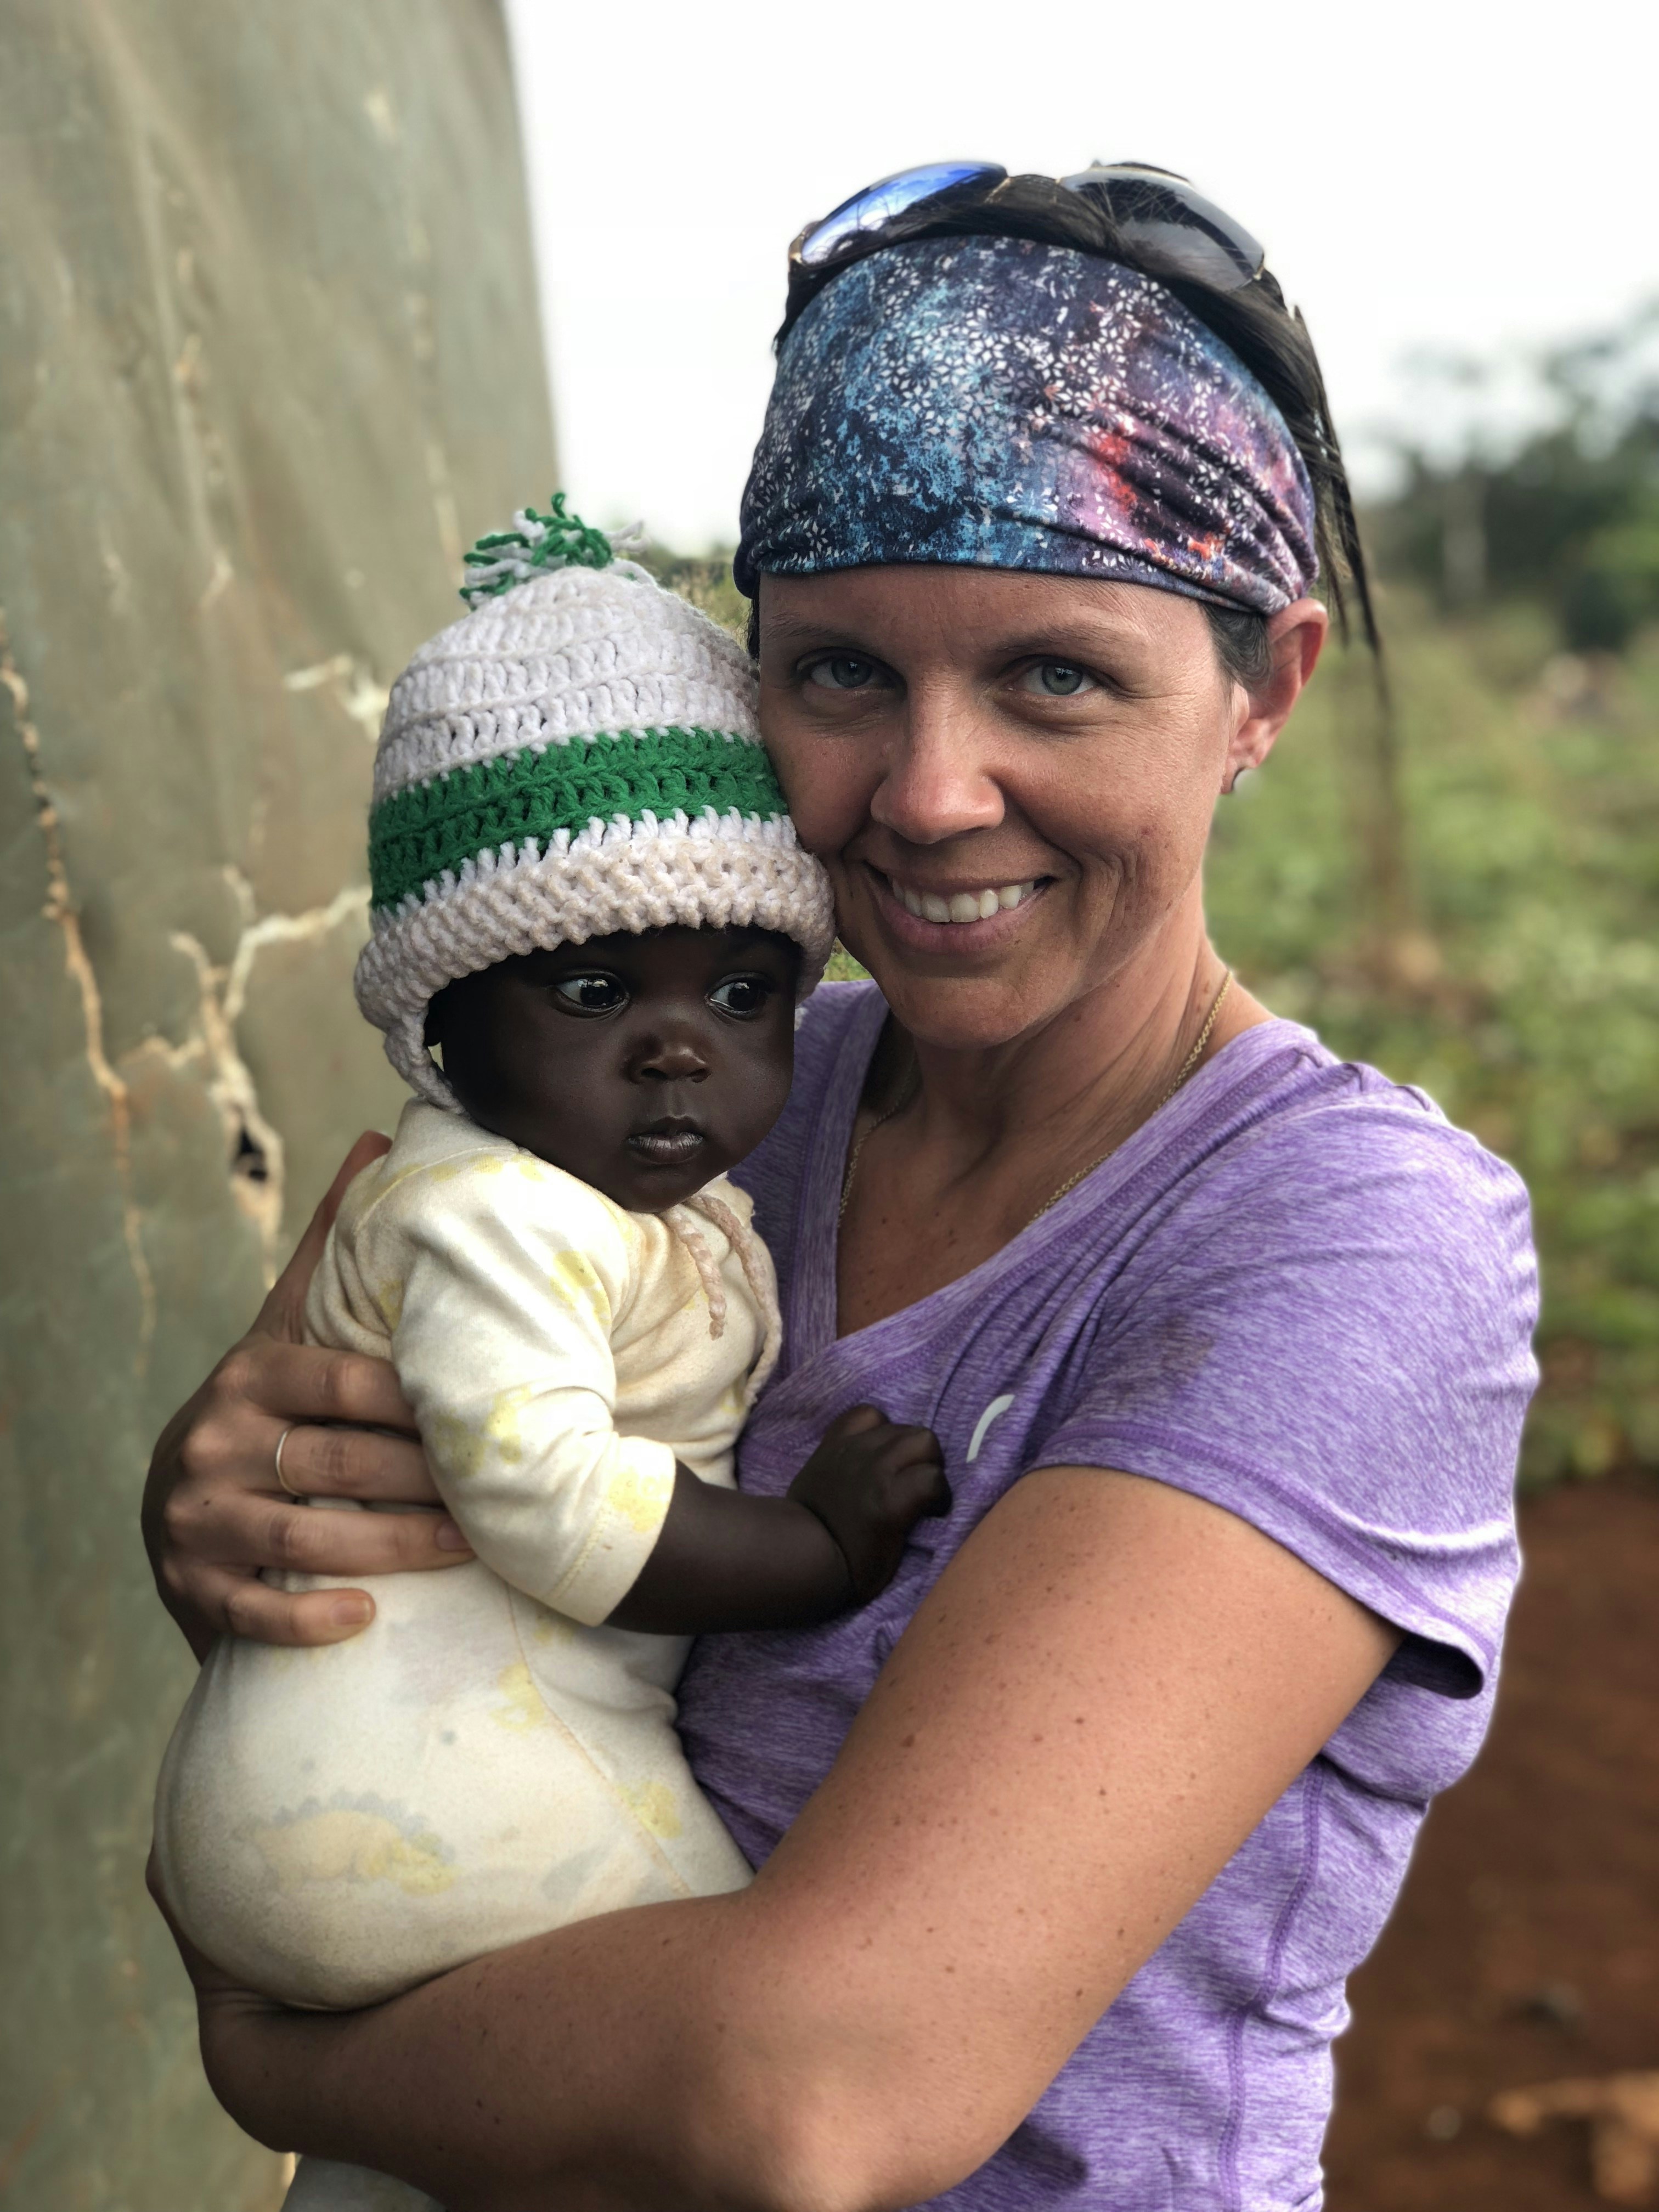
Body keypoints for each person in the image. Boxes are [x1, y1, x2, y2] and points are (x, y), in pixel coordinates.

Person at [143, 164, 1538, 2212]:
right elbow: (373, 1542)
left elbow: (821, 2098)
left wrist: (284, 2057)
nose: (930, 791)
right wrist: (241, 1527)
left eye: (1057, 675)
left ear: (1266, 690)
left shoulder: (1335, 1243)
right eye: (842, 674)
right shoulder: (703, 1110)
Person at [150, 510, 947, 2211]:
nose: (682, 1051)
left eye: (746, 993)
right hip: (409, 1811)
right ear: (446, 1031)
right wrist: (816, 1550)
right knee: (704, 2011)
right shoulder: (498, 1211)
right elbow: (546, 1500)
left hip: (383, 1810)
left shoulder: (612, 1194)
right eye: (594, 989)